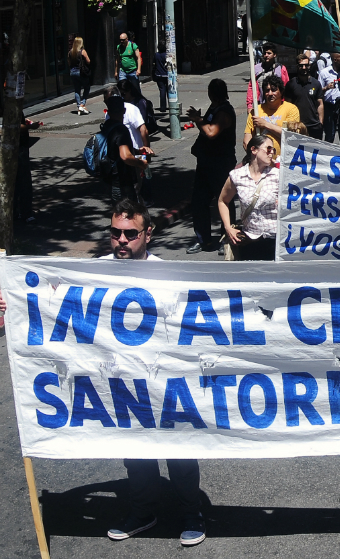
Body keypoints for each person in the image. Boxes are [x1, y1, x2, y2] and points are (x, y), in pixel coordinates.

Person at [93, 200, 207, 547]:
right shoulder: (91, 272)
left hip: (165, 379)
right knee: (136, 450)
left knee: (180, 449)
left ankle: (191, 513)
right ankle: (143, 511)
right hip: (123, 380)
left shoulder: (167, 277)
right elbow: (51, 301)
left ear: (148, 234)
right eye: (115, 233)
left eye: (130, 233)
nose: (122, 240)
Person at [186, 79, 237, 254]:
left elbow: (211, 132)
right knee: (199, 202)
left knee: (224, 201)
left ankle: (227, 239)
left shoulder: (224, 111)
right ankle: (203, 239)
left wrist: (196, 119)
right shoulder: (214, 108)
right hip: (206, 164)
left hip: (220, 164)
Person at [218, 135, 280, 261]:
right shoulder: (237, 175)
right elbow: (223, 201)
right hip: (250, 240)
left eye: (273, 150)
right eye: (268, 149)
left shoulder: (278, 174)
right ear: (254, 150)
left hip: (276, 240)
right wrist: (228, 227)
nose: (271, 153)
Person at [102, 97, 151, 203]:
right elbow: (125, 156)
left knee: (118, 210)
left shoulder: (106, 126)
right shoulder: (121, 129)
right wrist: (140, 163)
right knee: (128, 210)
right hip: (122, 178)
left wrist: (136, 151)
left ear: (109, 112)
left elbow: (115, 146)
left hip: (109, 175)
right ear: (124, 110)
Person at [243, 75, 300, 158]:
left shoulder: (291, 109)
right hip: (260, 162)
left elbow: (290, 136)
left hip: (283, 161)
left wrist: (265, 124)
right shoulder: (256, 111)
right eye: (267, 90)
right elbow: (246, 141)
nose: (270, 93)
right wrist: (256, 156)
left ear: (281, 92)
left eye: (274, 90)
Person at [283, 53, 325, 140]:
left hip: (314, 126)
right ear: (297, 66)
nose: (304, 68)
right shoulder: (291, 84)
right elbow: (287, 105)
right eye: (301, 66)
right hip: (297, 126)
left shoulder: (316, 83)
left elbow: (320, 104)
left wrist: (320, 122)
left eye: (306, 65)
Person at [246, 44, 289, 112]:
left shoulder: (281, 68)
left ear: (275, 55)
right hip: (260, 105)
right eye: (264, 53)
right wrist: (249, 105)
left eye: (269, 53)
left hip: (277, 106)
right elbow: (251, 87)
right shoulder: (256, 68)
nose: (266, 55)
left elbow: (286, 87)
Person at [318, 52, 340, 142]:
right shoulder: (324, 73)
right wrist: (326, 88)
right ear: (335, 60)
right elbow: (319, 91)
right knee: (330, 133)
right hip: (329, 106)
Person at [67, 35, 92, 115]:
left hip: (73, 72)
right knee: (87, 87)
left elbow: (69, 63)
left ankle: (79, 107)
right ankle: (82, 104)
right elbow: (88, 61)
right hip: (81, 72)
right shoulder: (82, 51)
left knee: (77, 90)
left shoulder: (70, 52)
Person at [152, 44, 168, 112]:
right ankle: (171, 105)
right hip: (167, 75)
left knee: (162, 90)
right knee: (169, 90)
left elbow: (154, 63)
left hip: (159, 74)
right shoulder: (167, 55)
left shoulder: (156, 55)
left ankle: (163, 107)